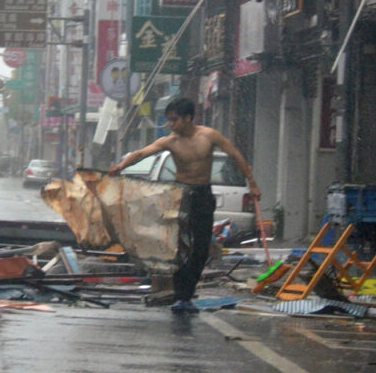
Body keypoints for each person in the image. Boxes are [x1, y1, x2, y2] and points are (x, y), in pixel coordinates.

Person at [107, 97, 261, 314]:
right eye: (170, 120)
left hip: (203, 196)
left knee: (200, 249)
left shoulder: (209, 136)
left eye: (175, 119)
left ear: (188, 118)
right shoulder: (171, 141)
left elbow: (235, 155)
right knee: (179, 248)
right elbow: (142, 153)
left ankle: (187, 295)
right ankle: (181, 296)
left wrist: (252, 184)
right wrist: (121, 166)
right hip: (181, 196)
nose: (172, 124)